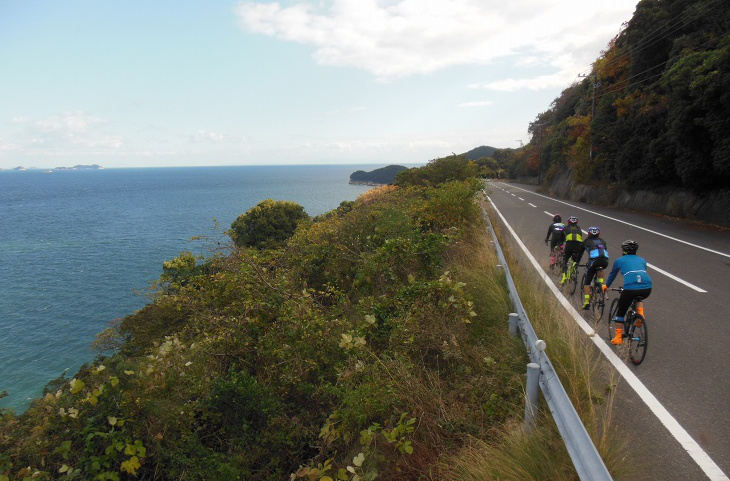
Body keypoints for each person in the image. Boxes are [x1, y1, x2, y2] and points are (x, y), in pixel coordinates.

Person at [605, 240, 653, 344]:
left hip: (630, 288)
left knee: (621, 313)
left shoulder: (619, 261)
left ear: (624, 250)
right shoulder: (643, 260)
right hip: (647, 287)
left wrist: (606, 286)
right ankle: (640, 313)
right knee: (638, 297)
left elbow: (612, 275)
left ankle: (618, 337)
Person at [581, 226, 609, 310]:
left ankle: (586, 301)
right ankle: (600, 284)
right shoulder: (603, 241)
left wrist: (576, 261)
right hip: (605, 262)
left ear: (589, 234)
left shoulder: (586, 241)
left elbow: (580, 253)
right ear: (598, 234)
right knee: (601, 267)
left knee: (587, 282)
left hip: (594, 262)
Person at [561, 216, 583, 284]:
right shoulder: (579, 229)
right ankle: (574, 268)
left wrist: (561, 242)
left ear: (568, 222)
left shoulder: (566, 228)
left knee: (565, 261)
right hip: (578, 246)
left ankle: (564, 277)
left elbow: (563, 237)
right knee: (575, 260)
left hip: (569, 245)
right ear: (577, 222)